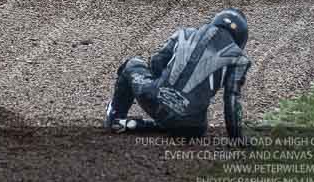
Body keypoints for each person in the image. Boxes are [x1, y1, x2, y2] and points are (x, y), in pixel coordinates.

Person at [103, 8, 251, 138]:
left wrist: (165, 90)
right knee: (196, 126)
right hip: (192, 126)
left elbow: (156, 62)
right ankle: (159, 125)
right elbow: (232, 100)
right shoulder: (239, 59)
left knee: (132, 63)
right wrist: (236, 138)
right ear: (240, 38)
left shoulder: (184, 34)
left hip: (154, 100)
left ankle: (115, 117)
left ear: (215, 21)